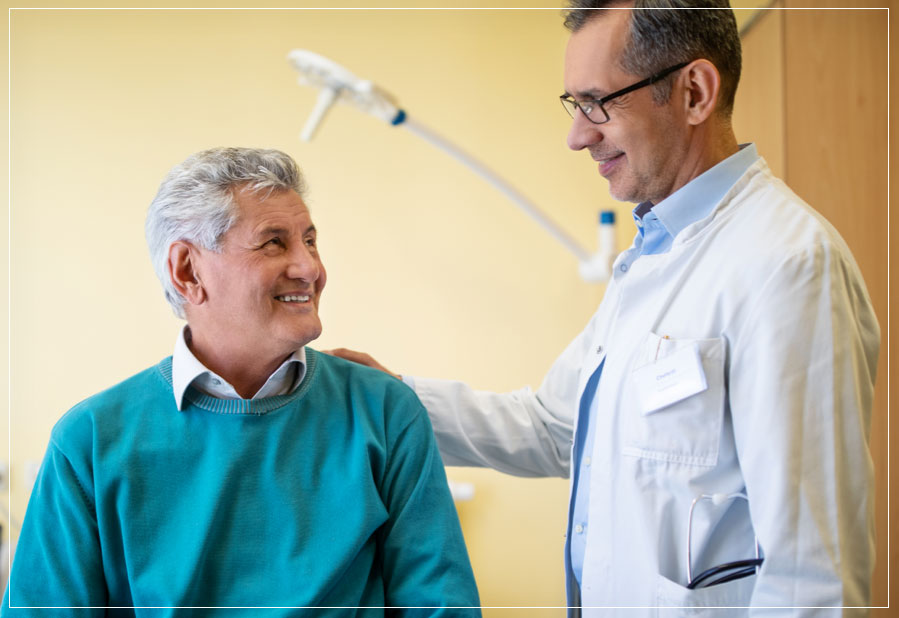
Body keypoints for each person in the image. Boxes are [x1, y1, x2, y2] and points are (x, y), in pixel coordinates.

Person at [330, 1, 880, 614]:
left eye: (599, 103)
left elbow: (812, 578)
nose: (577, 135)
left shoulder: (787, 265)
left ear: (694, 92)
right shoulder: (651, 258)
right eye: (575, 105)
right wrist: (390, 400)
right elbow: (557, 429)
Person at [2, 147, 481, 616]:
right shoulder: (88, 441)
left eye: (310, 241)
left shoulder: (385, 412)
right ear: (188, 271)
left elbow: (442, 607)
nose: (310, 268)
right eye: (275, 242)